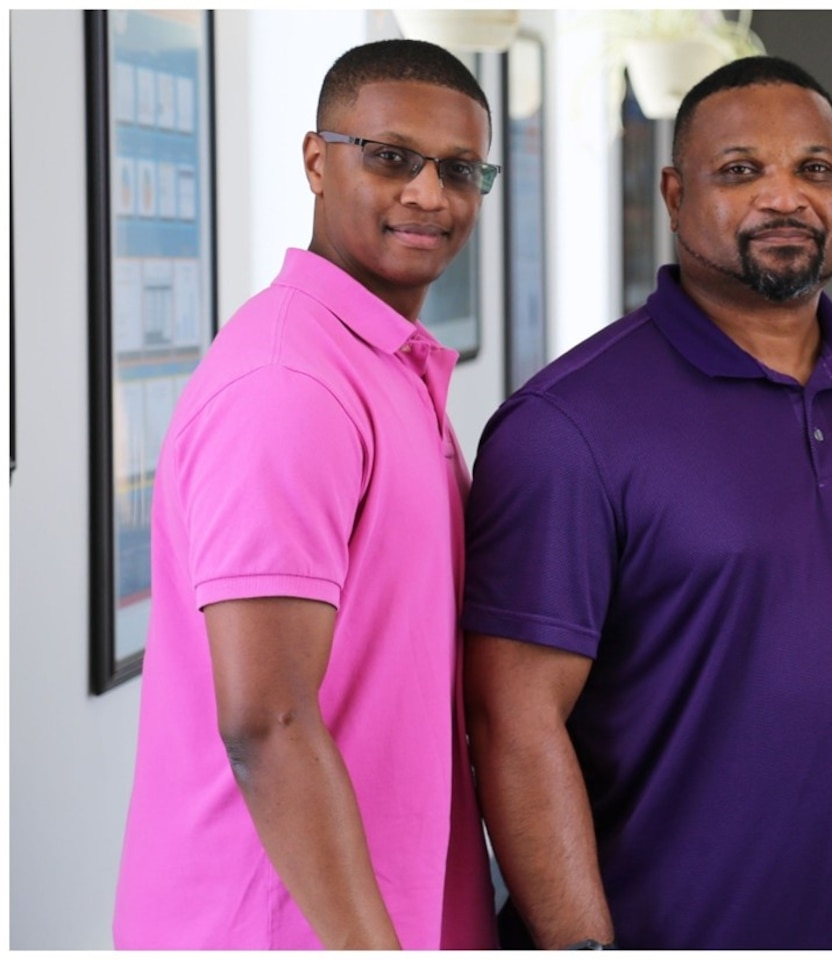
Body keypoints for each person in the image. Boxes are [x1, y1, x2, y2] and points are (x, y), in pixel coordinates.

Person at [459, 56, 832, 950]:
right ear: (673, 192)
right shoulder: (567, 426)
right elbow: (514, 723)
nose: (784, 197)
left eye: (814, 170)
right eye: (740, 171)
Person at [113, 39, 500, 949]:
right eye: (392, 157)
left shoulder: (381, 366)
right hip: (279, 929)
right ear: (318, 161)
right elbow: (268, 719)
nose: (428, 194)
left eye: (459, 169)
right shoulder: (291, 383)